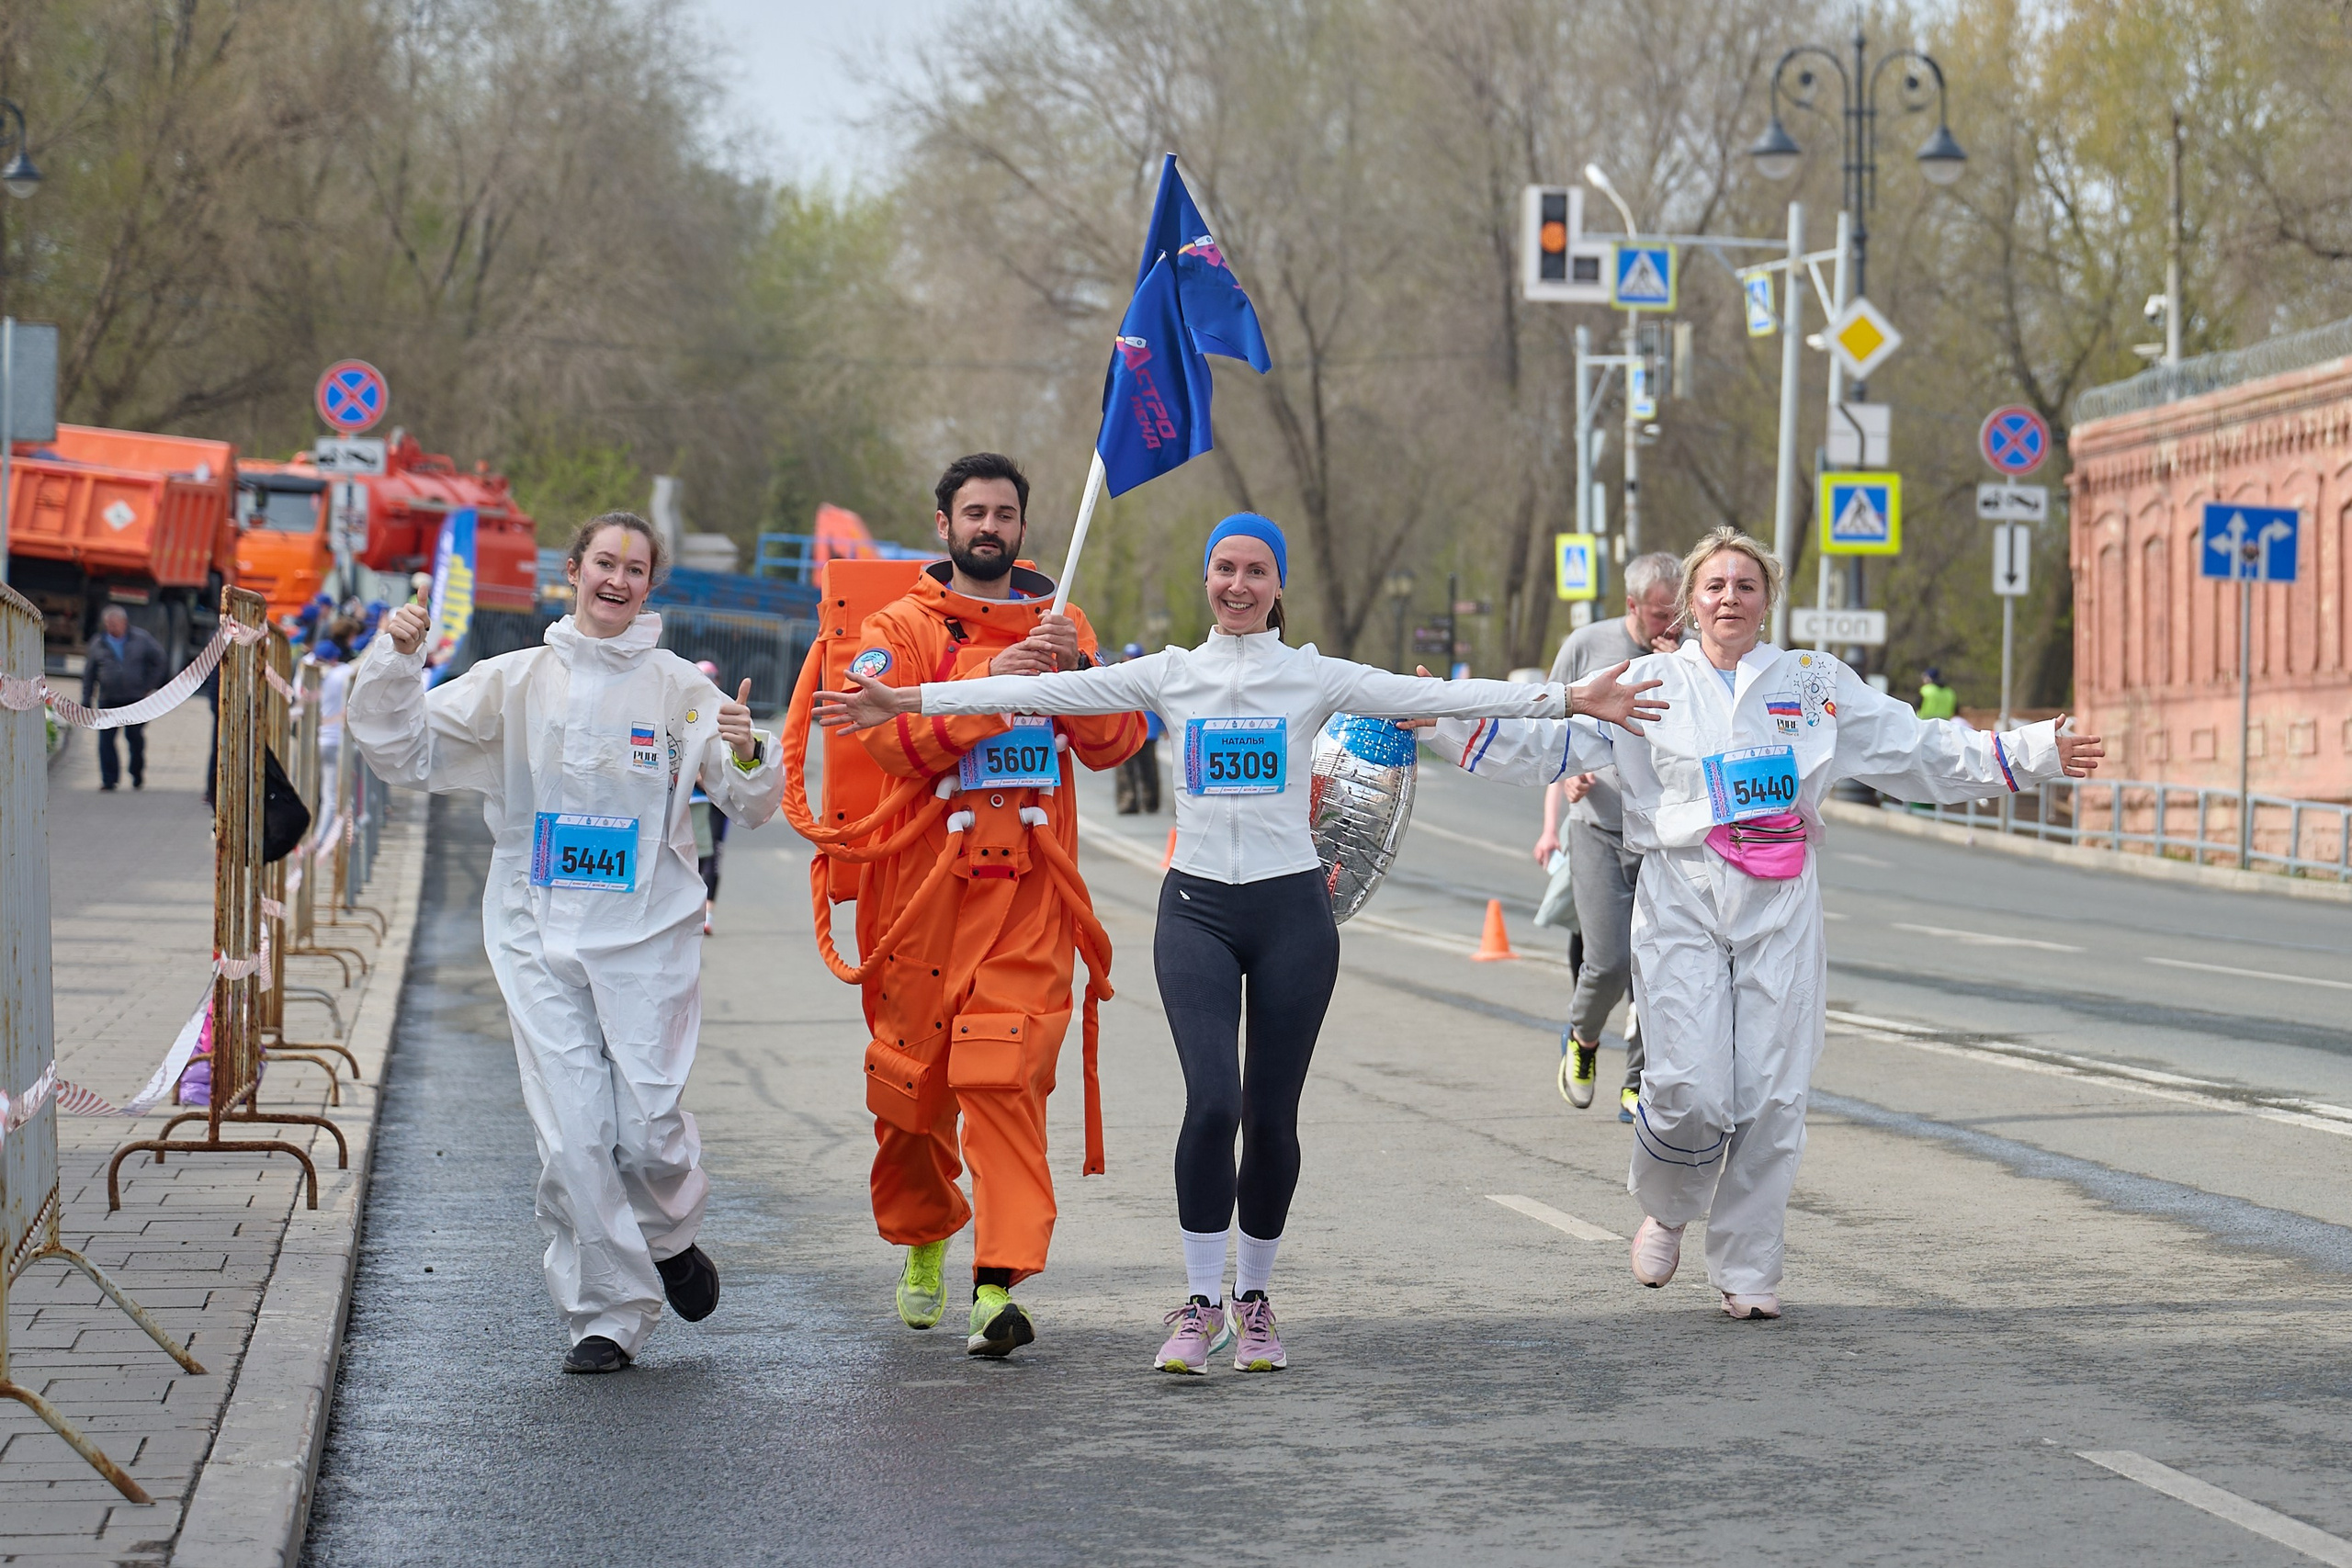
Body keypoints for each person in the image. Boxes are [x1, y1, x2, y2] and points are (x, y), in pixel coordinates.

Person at [818, 512, 1667, 1373]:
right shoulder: (1171, 675)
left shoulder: (1314, 678)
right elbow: (1027, 694)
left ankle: (1253, 1301)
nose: (1237, 584)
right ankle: (1197, 1304)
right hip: (1197, 916)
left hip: (1292, 916)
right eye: (1224, 567)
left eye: (1256, 571)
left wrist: (1570, 698)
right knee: (1212, 1103)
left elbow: (1443, 696)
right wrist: (909, 699)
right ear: (1207, 579)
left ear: (1277, 587)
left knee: (1270, 1117)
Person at [1428, 526, 2104, 1320]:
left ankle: (1747, 1267)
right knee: (1687, 1086)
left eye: (1746, 586)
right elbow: (1547, 742)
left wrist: (2032, 752)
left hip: (1780, 905)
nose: (1730, 599)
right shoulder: (1647, 682)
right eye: (1714, 586)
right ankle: (1671, 1206)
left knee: (1773, 1096)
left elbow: (1913, 749)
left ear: (1767, 598)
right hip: (1681, 896)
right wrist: (1437, 715)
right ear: (1689, 601)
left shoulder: (1814, 682)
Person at [345, 511, 782, 1374]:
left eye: (635, 568)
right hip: (533, 927)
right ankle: (605, 1315)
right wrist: (395, 661)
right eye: (603, 563)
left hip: (647, 935)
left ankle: (667, 1235)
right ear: (573, 571)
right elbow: (404, 746)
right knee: (574, 1130)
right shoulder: (512, 681)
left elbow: (752, 802)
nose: (617, 580)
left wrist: (748, 751)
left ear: (651, 584)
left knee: (647, 1126)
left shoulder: (680, 690)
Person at [793, 453, 1146, 1360]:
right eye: (973, 512)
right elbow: (884, 735)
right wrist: (999, 689)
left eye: (1005, 513)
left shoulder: (1064, 624)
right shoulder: (897, 627)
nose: (989, 527)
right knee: (911, 1092)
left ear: (1026, 528)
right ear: (943, 523)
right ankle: (925, 1238)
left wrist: (1077, 674)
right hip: (919, 900)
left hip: (1028, 897)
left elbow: (1114, 744)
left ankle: (998, 1282)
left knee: (1005, 1079)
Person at [1532, 551, 1684, 1122]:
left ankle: (1639, 1082)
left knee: (1659, 964)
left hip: (1664, 835)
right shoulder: (1589, 646)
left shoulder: (1691, 656)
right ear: (1631, 606)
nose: (1667, 627)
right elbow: (1547, 717)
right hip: (1597, 825)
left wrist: (1681, 667)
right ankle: (1582, 1038)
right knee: (1610, 961)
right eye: (1658, 615)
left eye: (1677, 616)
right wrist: (1567, 771)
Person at [82, 605, 170, 791]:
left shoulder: (142, 638)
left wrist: (149, 685)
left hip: (135, 699)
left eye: (114, 624)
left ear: (124, 622)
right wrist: (86, 699)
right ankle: (109, 779)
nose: (111, 628)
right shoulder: (99, 643)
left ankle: (136, 773)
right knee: (106, 741)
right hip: (108, 699)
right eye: (108, 624)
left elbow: (159, 659)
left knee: (135, 738)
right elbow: (89, 674)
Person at [688, 660, 729, 934]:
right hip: (688, 798)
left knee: (713, 854)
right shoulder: (683, 708)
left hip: (715, 799)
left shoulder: (725, 712)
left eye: (712, 678)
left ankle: (708, 914)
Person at [1114, 642, 1164, 814]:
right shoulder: (1117, 678)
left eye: (1133, 657)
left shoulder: (1151, 678)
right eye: (1127, 657)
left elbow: (1160, 704)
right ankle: (1129, 802)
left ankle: (1150, 802)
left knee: (1148, 769)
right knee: (1125, 770)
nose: (1129, 660)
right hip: (1125, 732)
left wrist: (1164, 726)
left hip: (1147, 732)